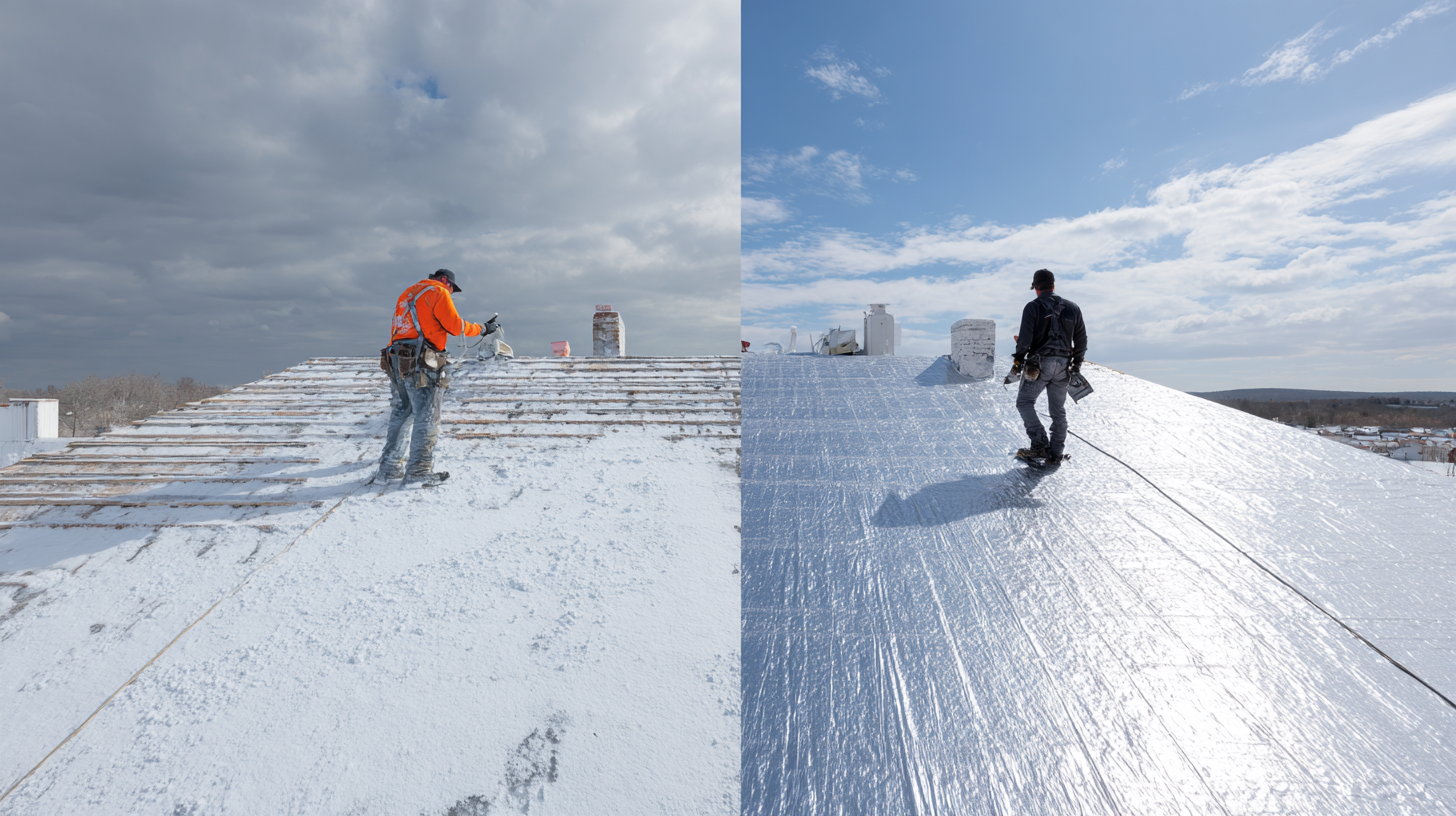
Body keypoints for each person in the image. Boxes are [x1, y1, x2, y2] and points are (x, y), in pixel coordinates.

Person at [374, 269, 491, 487]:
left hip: (396, 356)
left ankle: (388, 470)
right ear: (445, 281)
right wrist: (482, 329)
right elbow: (455, 326)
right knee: (427, 415)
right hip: (420, 360)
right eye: (452, 289)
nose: (451, 293)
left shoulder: (408, 293)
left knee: (402, 412)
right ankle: (418, 472)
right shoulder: (438, 291)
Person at [1009, 269, 1087, 464]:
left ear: (1036, 288)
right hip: (1063, 366)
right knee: (1058, 411)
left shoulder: (1032, 307)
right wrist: (1075, 365)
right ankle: (1056, 453)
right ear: (1053, 285)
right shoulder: (1073, 308)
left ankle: (1039, 445)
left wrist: (1019, 356)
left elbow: (1025, 342)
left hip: (1038, 365)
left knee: (1025, 403)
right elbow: (1081, 341)